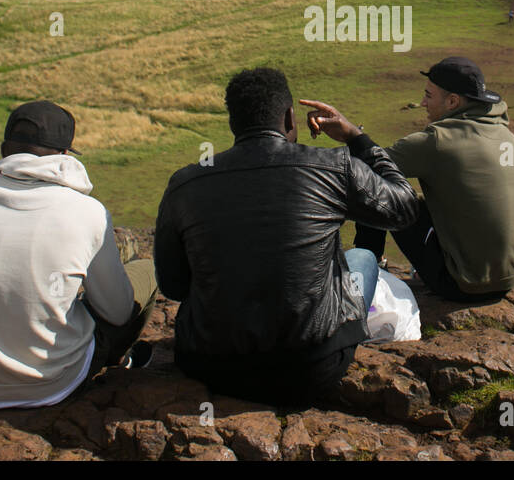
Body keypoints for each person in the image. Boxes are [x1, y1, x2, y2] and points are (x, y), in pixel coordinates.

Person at [155, 67, 417, 405]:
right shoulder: (334, 165)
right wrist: (356, 137)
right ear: (290, 117)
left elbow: (174, 286)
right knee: (363, 258)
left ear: (234, 123)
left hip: (213, 367)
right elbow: (405, 208)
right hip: (316, 366)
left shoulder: (185, 183)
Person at [0, 101, 156, 410]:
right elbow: (116, 312)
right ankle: (119, 359)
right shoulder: (87, 212)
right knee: (146, 271)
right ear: (64, 155)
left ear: (5, 149)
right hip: (51, 383)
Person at [328, 56, 514, 303]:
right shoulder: (507, 137)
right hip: (509, 279)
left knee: (380, 192)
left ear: (452, 101)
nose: (423, 102)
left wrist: (352, 135)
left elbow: (369, 170)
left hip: (461, 283)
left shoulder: (438, 141)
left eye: (428, 95)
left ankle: (366, 277)